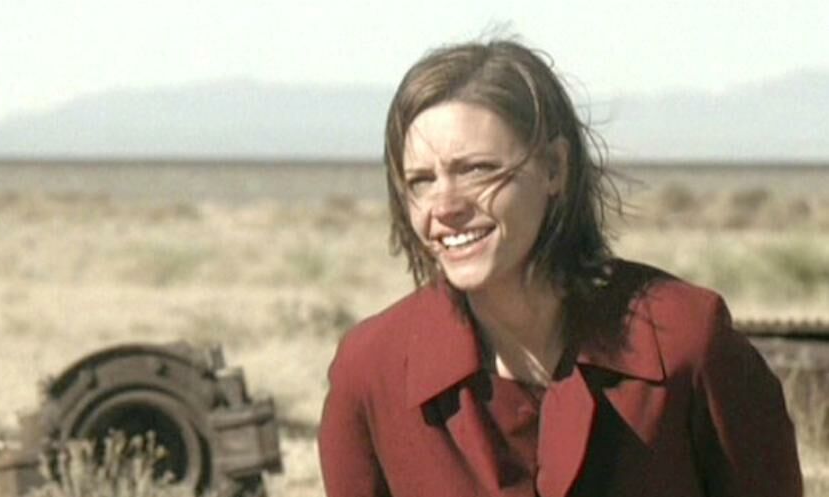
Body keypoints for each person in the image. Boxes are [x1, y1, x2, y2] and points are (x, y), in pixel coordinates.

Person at [317, 38, 802, 497]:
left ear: (554, 168)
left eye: (477, 169)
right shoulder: (372, 372)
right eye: (421, 181)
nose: (444, 206)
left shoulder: (685, 343)